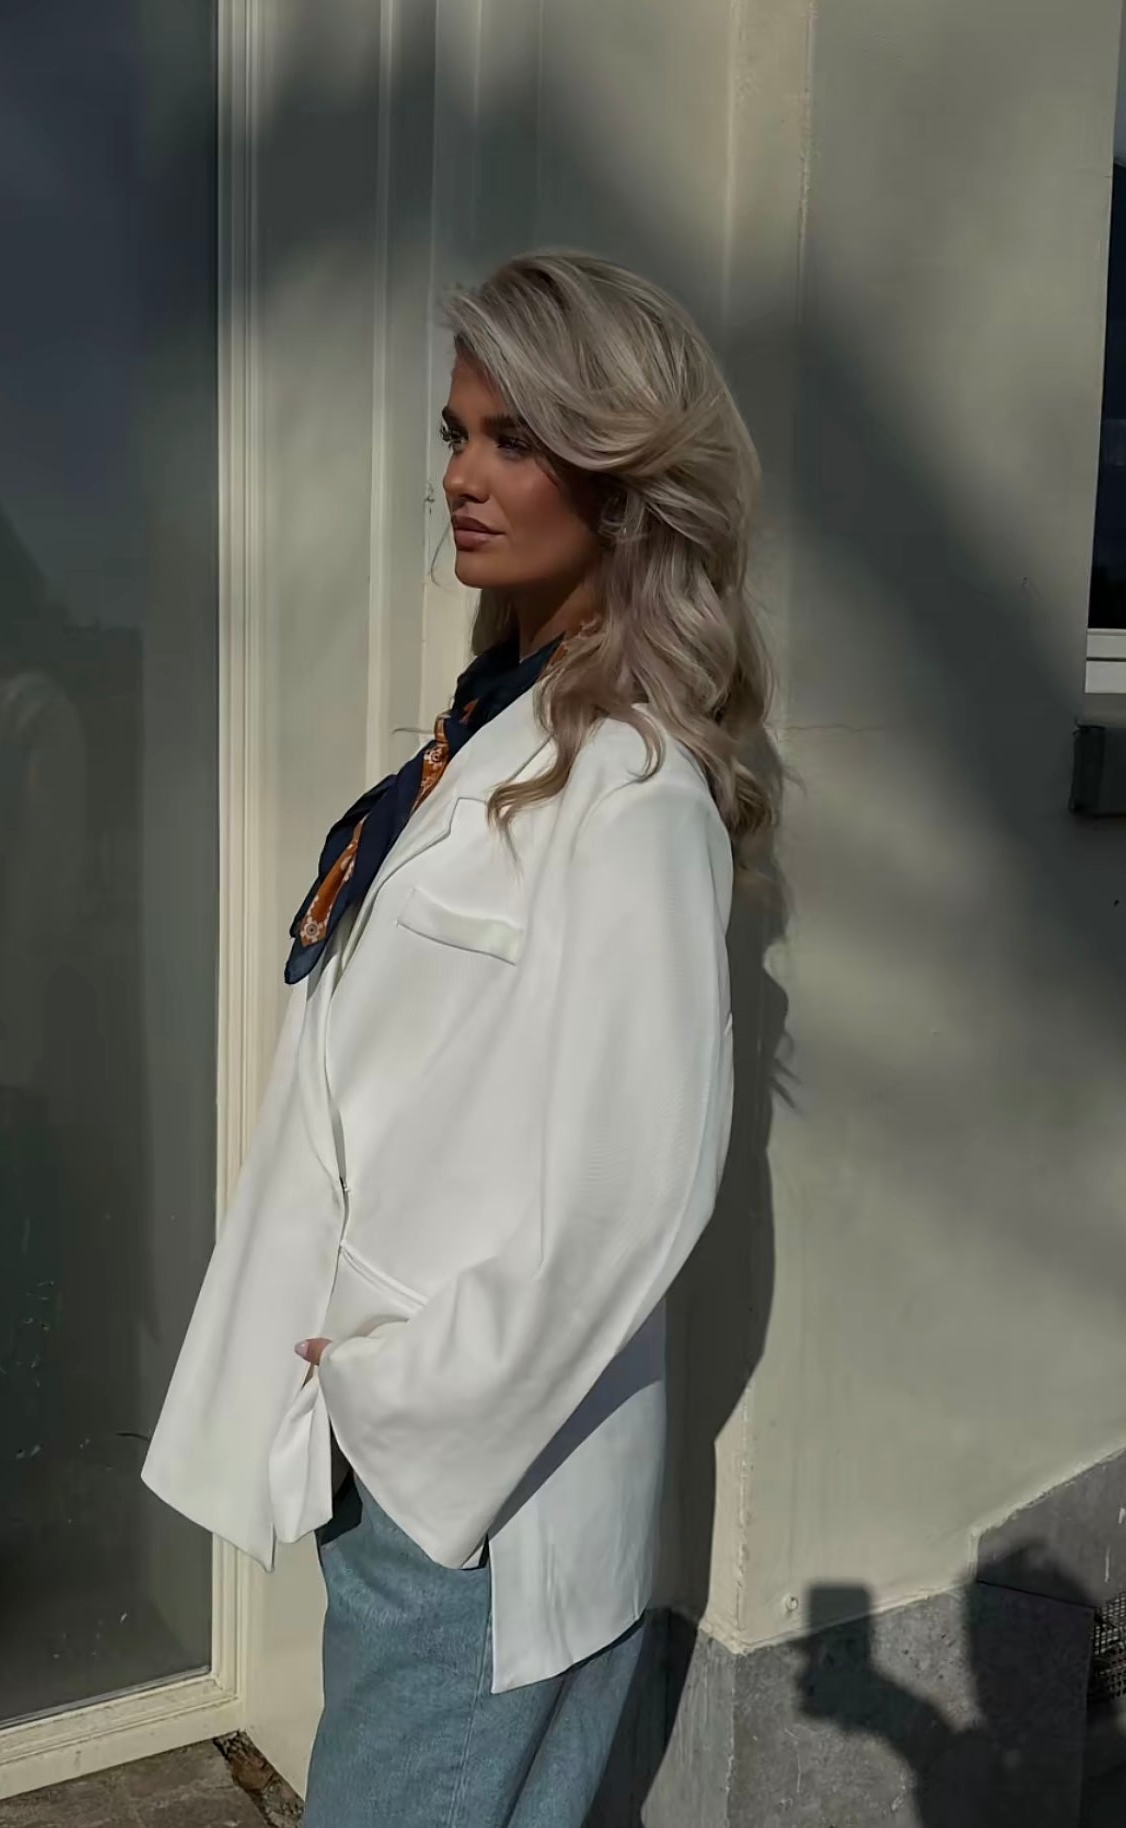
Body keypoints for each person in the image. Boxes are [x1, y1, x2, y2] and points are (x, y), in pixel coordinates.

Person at [142, 250, 773, 1826]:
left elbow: (633, 1186)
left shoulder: (631, 790)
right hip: (413, 1467)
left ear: (620, 479)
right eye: (454, 433)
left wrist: (408, 1402)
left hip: (481, 1498)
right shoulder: (490, 727)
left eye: (514, 439)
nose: (460, 479)